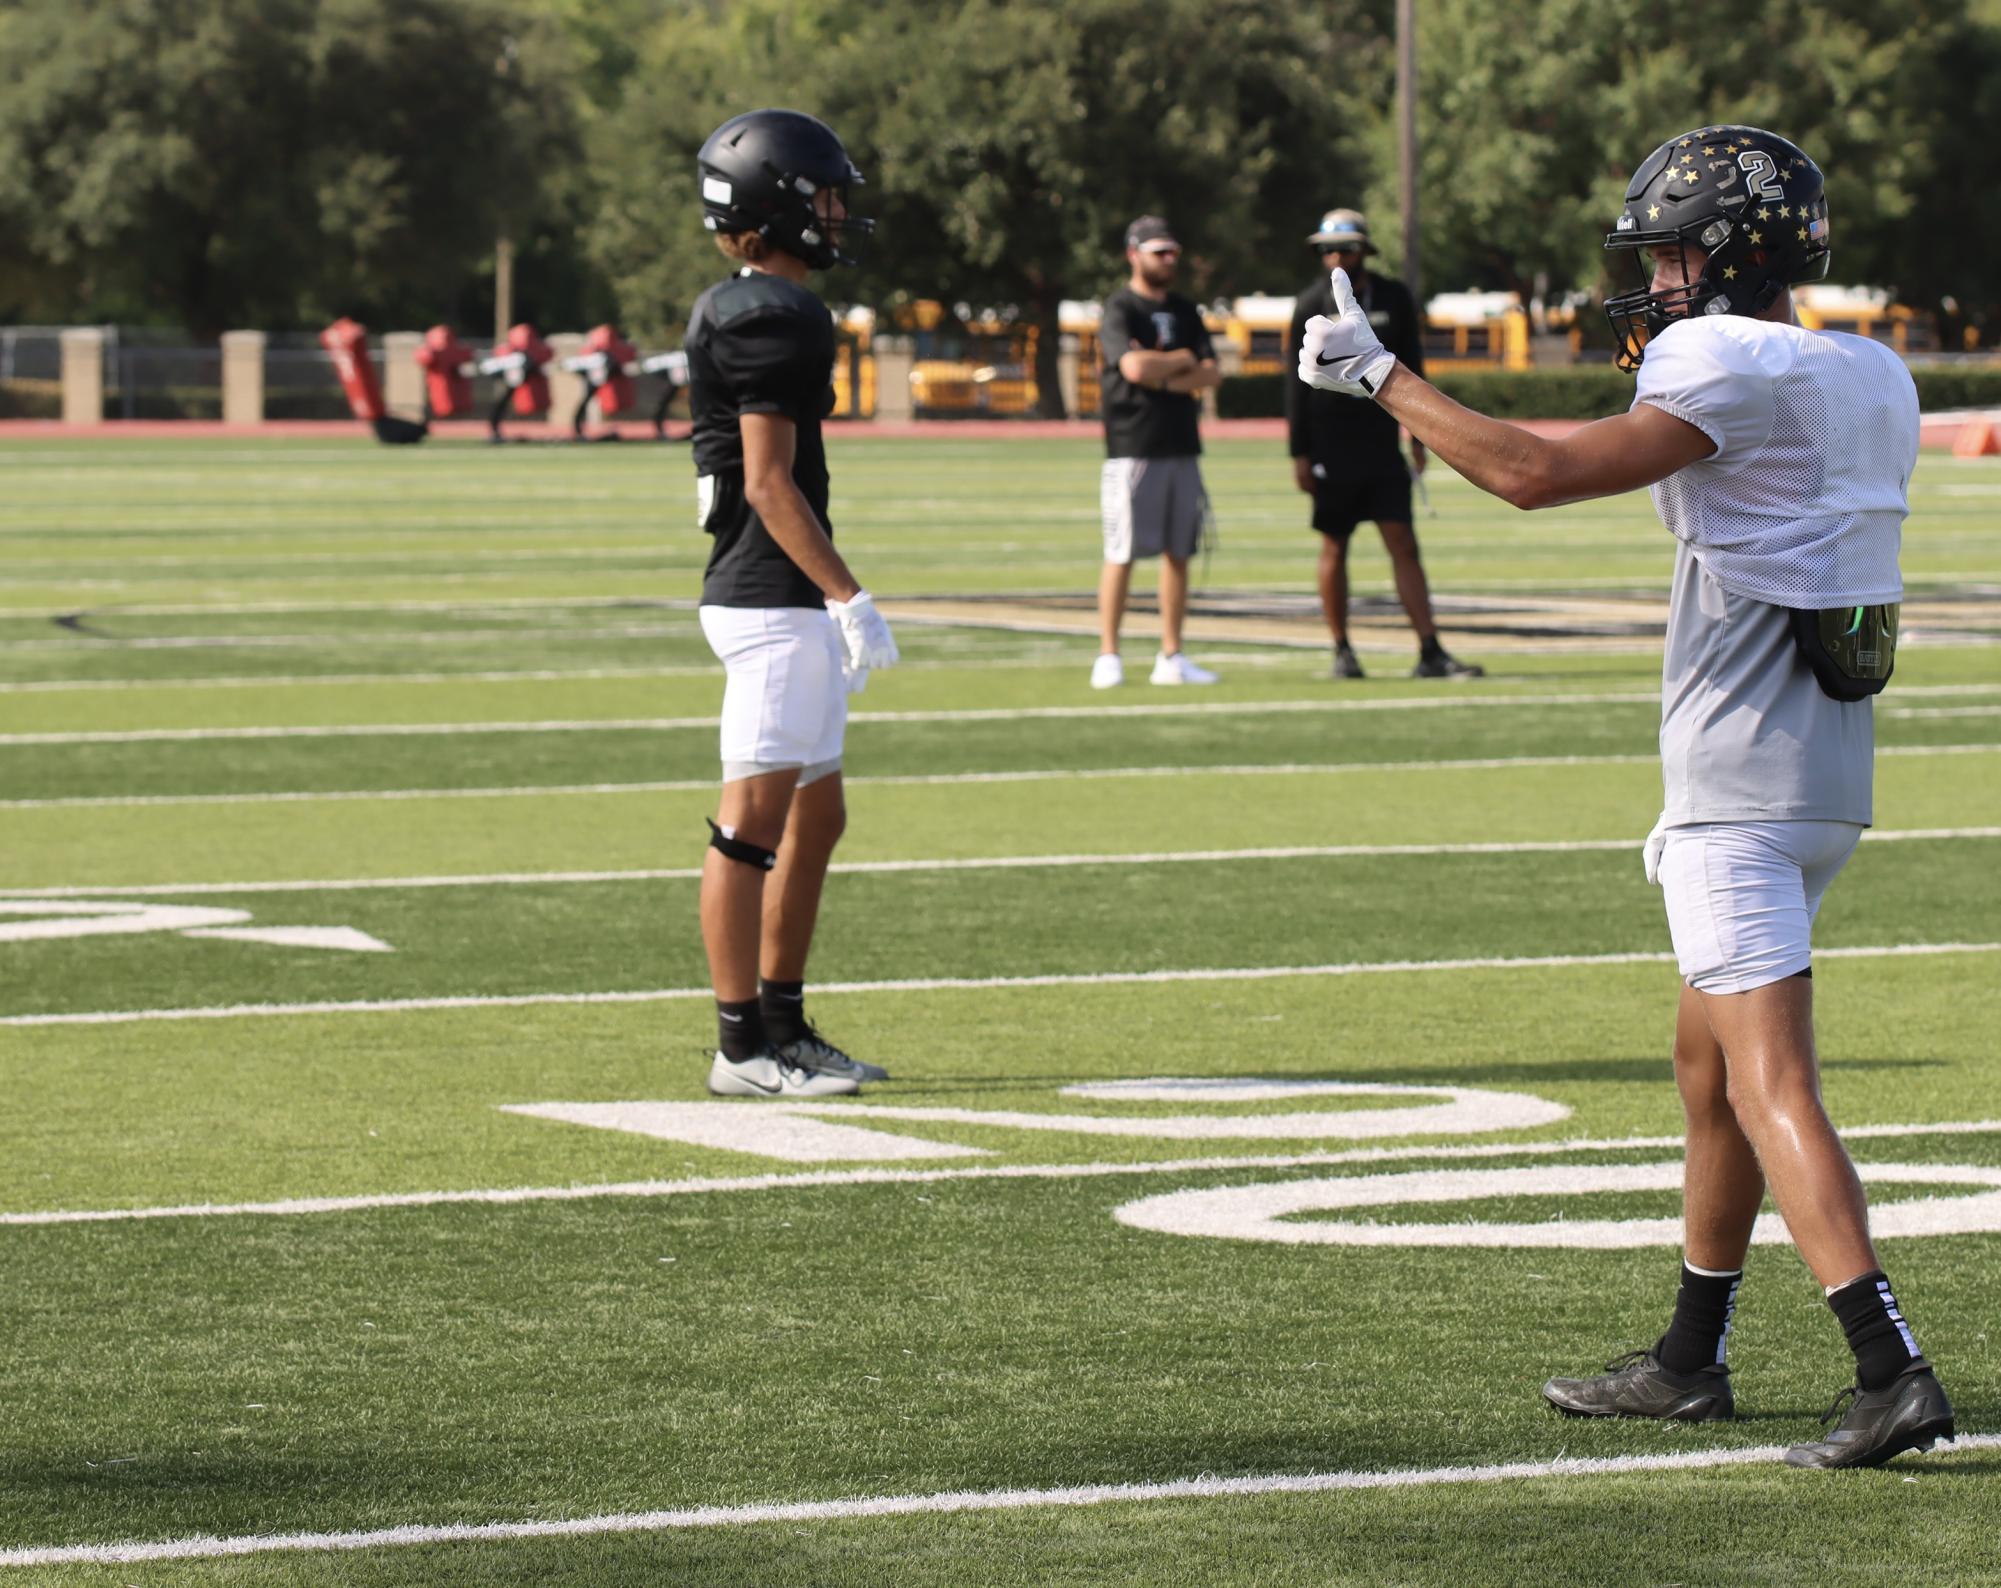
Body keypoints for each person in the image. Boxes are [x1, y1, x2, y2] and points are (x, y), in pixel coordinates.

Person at [1298, 125, 1952, 1469]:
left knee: (1769, 1081)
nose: (1649, 280)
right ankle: (1686, 1359)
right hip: (1826, 773)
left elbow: (1534, 472)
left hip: (1737, 782)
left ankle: (1887, 1367)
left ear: (1729, 254)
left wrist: (1379, 379)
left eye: (1666, 253)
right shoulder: (1871, 370)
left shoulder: (1724, 361)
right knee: (1706, 1072)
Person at [688, 108, 899, 1099]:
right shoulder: (771, 314)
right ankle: (741, 1047)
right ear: (777, 207)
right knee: (752, 823)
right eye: (823, 195)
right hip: (772, 599)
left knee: (819, 816)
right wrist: (846, 593)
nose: (839, 211)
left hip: (783, 598)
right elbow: (771, 483)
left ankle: (782, 1017)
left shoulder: (762, 303)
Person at [1287, 210, 1481, 680]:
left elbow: (1412, 369)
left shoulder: (1392, 296)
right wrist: (1299, 450)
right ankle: (1341, 650)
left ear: (1365, 251)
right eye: (1328, 250)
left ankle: (1429, 649)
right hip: (1332, 446)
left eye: (1345, 248)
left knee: (1403, 543)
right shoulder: (1309, 302)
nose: (1336, 257)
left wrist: (1419, 434)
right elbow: (1292, 384)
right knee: (1334, 544)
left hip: (1380, 442)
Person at [1092, 215, 1223, 689]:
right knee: (1121, 550)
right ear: (1134, 254)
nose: (1168, 260)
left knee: (1178, 553)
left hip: (1182, 443)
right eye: (1158, 252)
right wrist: (1179, 364)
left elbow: (1211, 371)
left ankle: (1172, 654)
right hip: (1133, 444)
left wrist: (1162, 373)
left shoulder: (1187, 310)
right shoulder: (1120, 308)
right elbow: (1130, 366)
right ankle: (1109, 653)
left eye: (1172, 252)